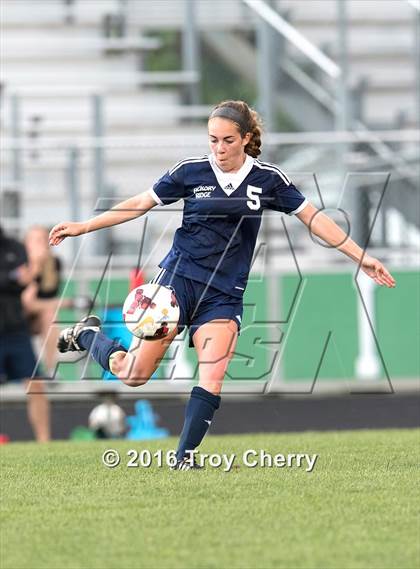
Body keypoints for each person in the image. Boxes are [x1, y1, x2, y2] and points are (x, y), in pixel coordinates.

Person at [49, 100, 395, 468]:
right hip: (175, 287)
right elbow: (139, 204)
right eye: (213, 140)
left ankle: (184, 458)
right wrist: (83, 226)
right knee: (133, 375)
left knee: (212, 374)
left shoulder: (268, 180)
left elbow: (314, 218)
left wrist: (362, 256)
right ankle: (88, 335)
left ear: (246, 138)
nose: (219, 149)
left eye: (228, 140)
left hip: (223, 295)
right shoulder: (191, 172)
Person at [0, 226, 50, 442]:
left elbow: (26, 279)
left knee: (35, 384)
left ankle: (44, 441)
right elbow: (16, 278)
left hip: (15, 328)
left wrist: (16, 278)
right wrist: (12, 278)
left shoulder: (15, 247)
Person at [22, 225, 62, 377]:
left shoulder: (54, 264)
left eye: (44, 240)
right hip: (13, 317)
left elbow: (47, 301)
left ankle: (51, 370)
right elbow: (26, 302)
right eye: (36, 241)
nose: (41, 245)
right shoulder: (17, 261)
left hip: (35, 319)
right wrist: (35, 268)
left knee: (50, 315)